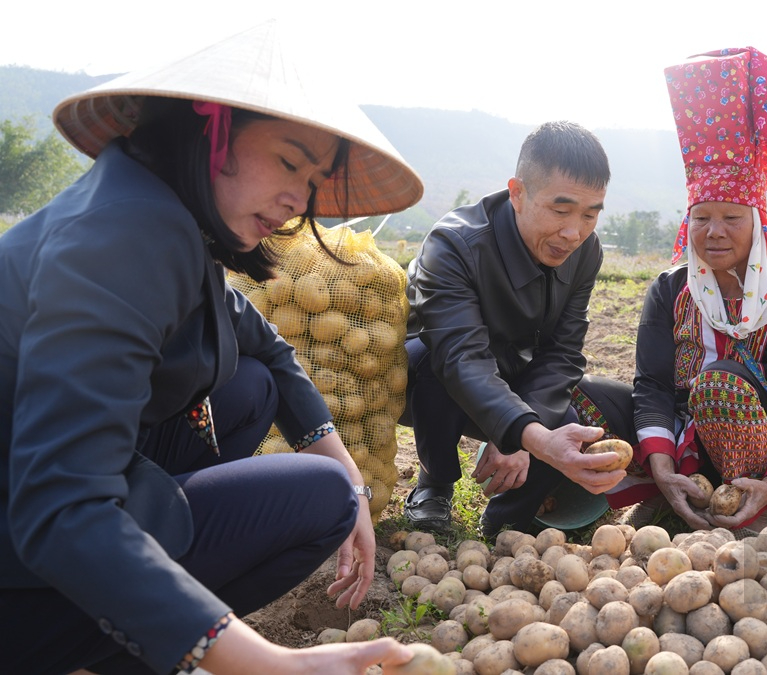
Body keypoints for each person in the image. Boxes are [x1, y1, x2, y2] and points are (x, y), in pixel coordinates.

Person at [0, 23, 423, 675]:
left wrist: (348, 470)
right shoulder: (123, 239)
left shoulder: (157, 209)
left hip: (39, 482)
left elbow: (266, 342)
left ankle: (134, 614)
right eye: (288, 162)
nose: (298, 200)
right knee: (317, 497)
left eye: (312, 180)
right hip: (30, 545)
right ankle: (117, 643)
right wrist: (276, 664)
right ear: (212, 129)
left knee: (252, 387)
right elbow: (61, 507)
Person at [585, 47, 767, 534]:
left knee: (721, 383)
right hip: (685, 444)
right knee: (574, 394)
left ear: (759, 224)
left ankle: (751, 507)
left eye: (731, 218)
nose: (715, 232)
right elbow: (654, 386)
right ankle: (670, 485)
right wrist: (660, 463)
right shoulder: (670, 291)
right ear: (688, 224)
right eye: (702, 217)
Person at [400, 121, 625, 536]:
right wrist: (526, 435)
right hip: (427, 377)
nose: (573, 232)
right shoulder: (454, 245)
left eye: (590, 215)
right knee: (435, 366)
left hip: (511, 366)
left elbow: (564, 351)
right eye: (560, 210)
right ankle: (435, 484)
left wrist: (525, 432)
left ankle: (505, 523)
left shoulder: (585, 250)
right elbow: (460, 357)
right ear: (518, 194)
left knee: (563, 416)